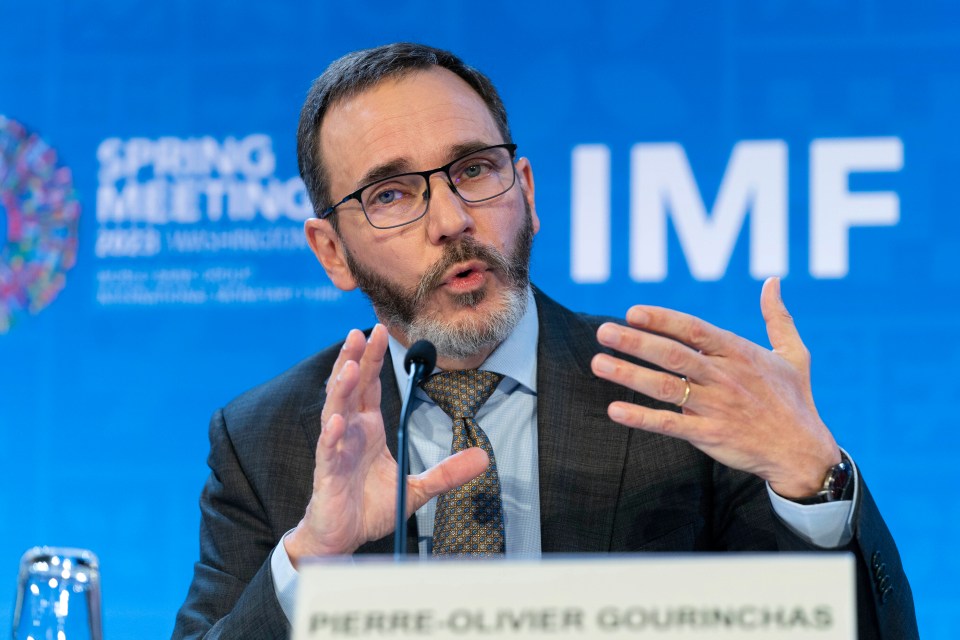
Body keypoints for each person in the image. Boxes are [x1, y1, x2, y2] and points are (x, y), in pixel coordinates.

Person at [172, 43, 918, 639]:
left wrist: (814, 481)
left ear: (525, 190)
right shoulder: (267, 437)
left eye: (474, 170)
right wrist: (310, 560)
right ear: (332, 251)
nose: (452, 218)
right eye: (392, 194)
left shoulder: (675, 393)